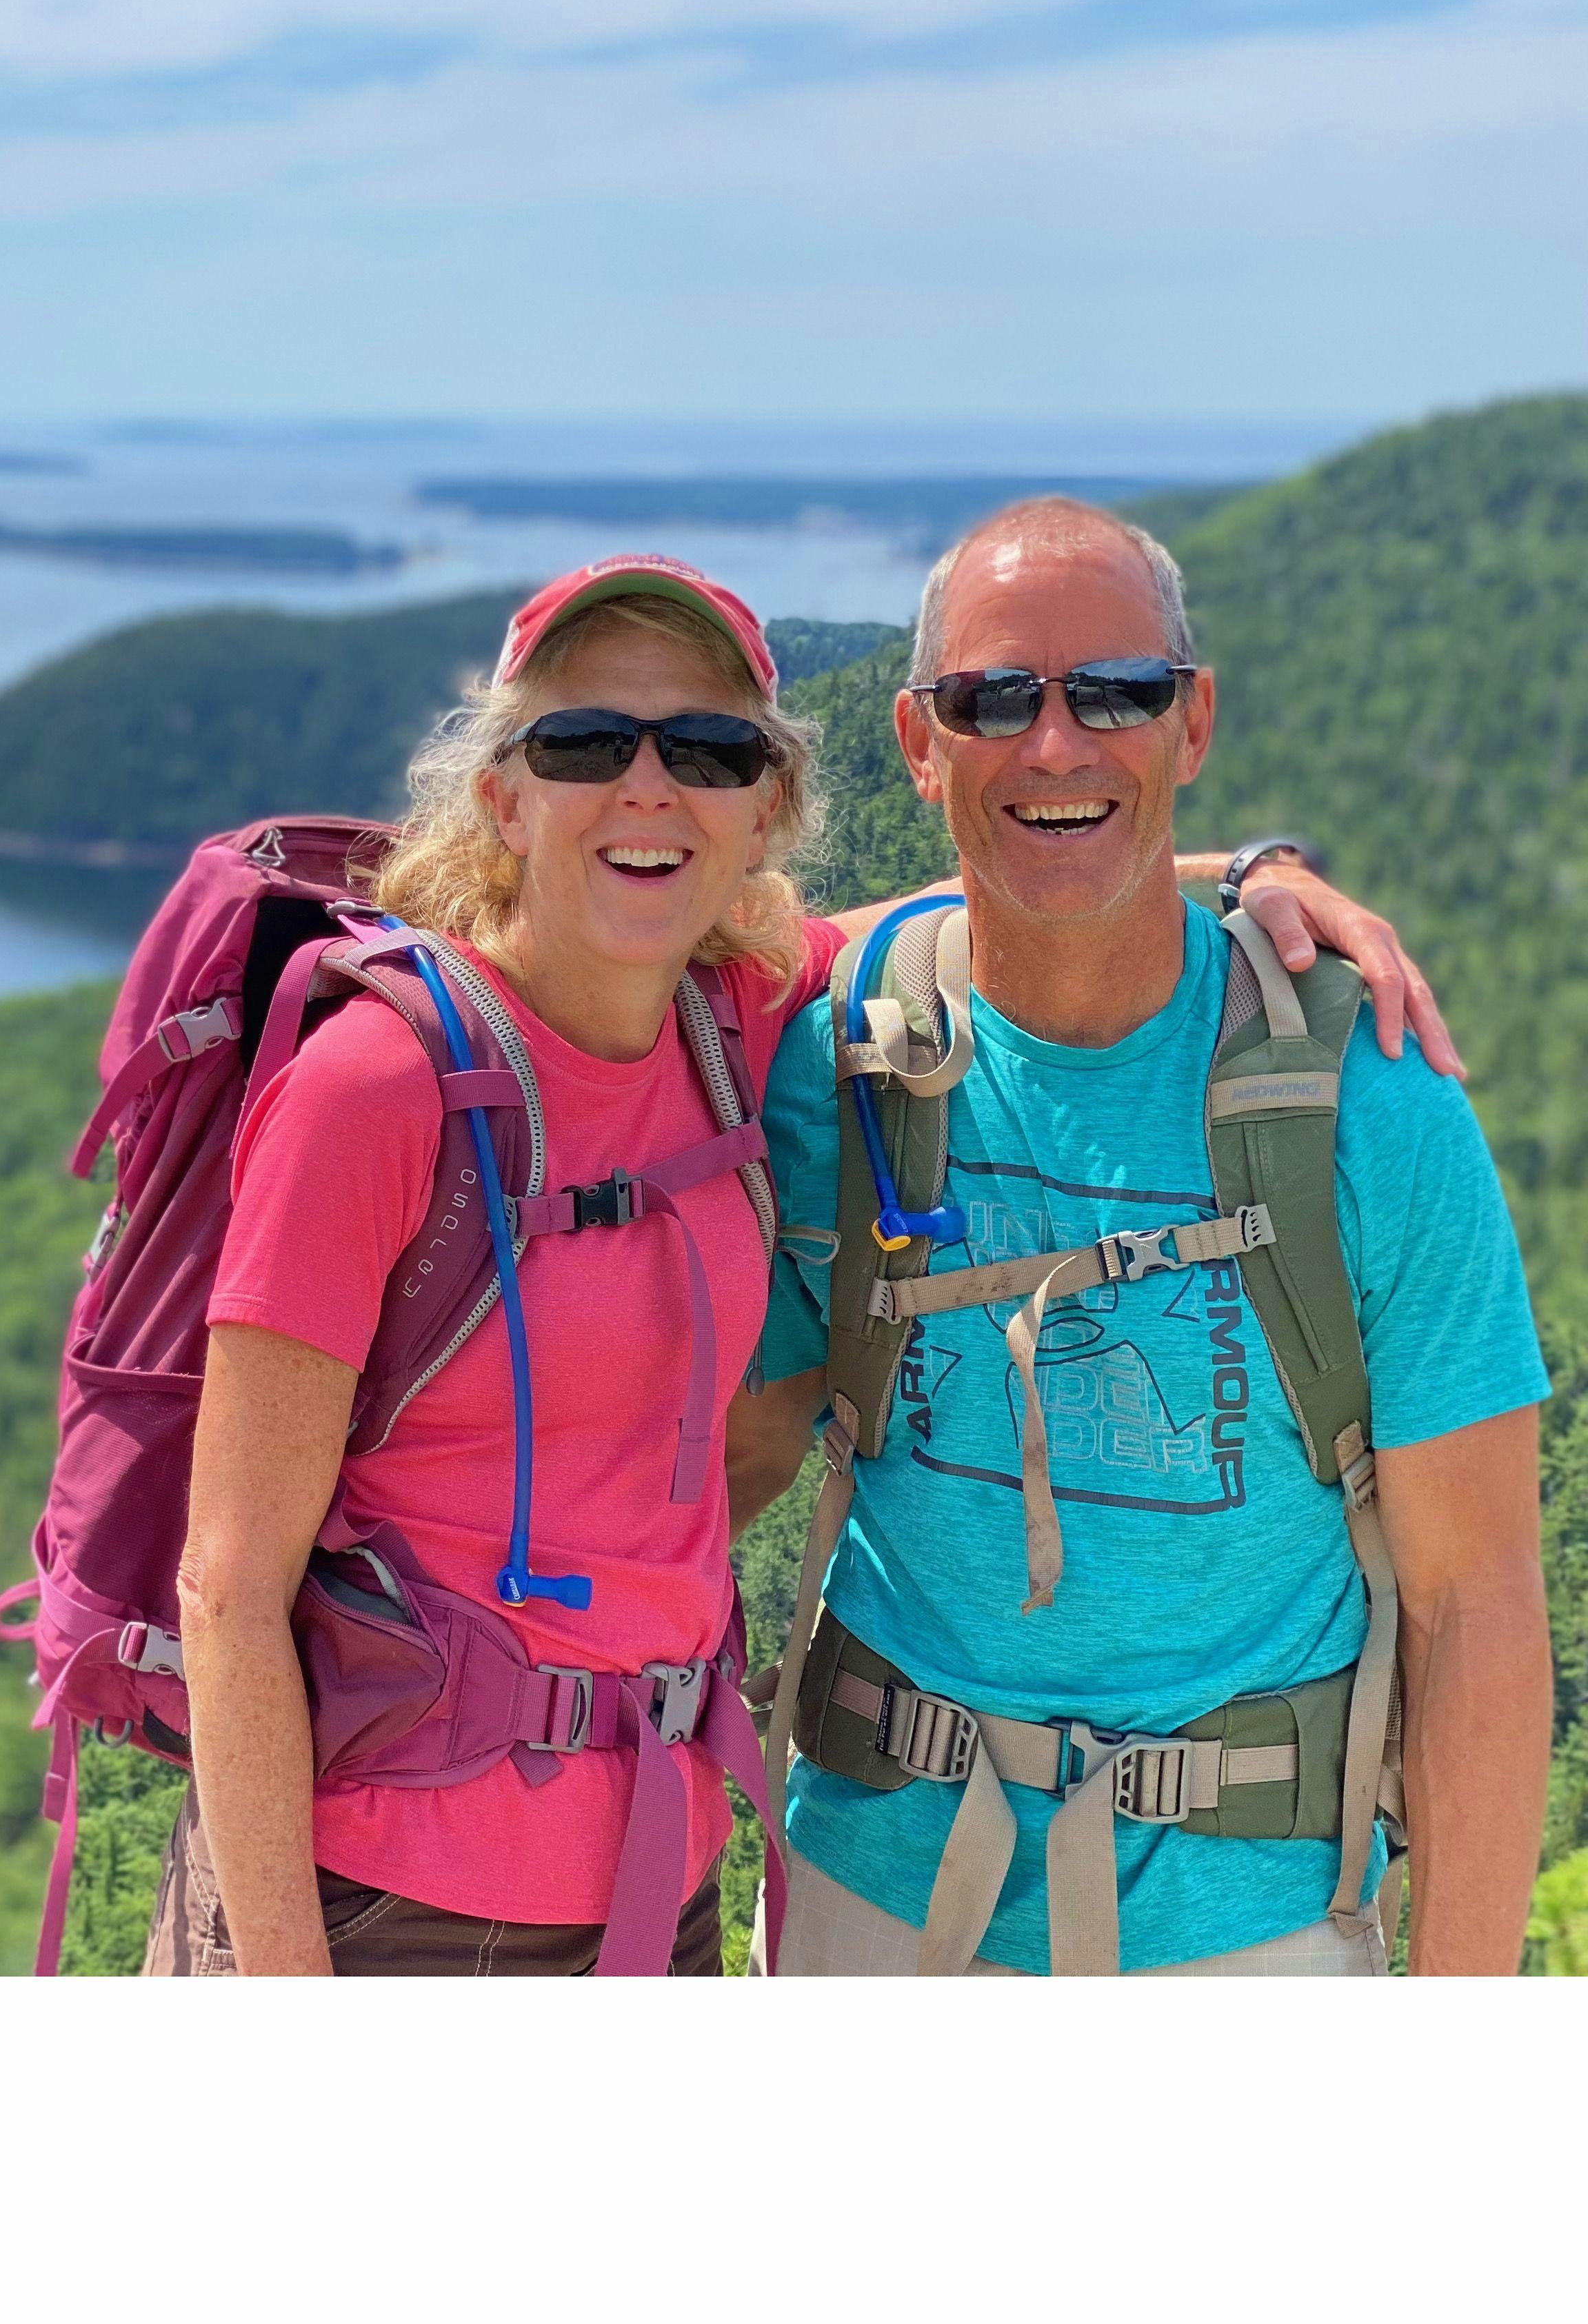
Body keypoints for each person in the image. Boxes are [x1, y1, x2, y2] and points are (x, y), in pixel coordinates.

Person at [155, 551, 1439, 1976]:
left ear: (762, 807)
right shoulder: (375, 1088)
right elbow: (225, 1585)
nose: (651, 788)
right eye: (586, 742)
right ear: (502, 797)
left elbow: (1036, 877)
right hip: (386, 1899)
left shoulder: (736, 1015)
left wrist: (1261, 876)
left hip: (662, 1878)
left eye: (706, 749)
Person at [729, 496, 1549, 1977]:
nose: (1056, 742)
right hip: (873, 1893)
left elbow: (1477, 1603)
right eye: (995, 700)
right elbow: (731, 1453)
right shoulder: (836, 1061)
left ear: (1193, 722)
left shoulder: (1370, 1099)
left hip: (1258, 1930)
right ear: (922, 744)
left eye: (1116, 693)